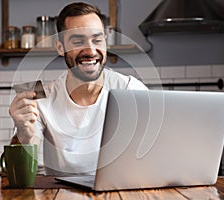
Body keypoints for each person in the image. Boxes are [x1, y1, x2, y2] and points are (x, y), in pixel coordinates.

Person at [9, 2, 147, 175]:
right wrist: (24, 133)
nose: (90, 50)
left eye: (97, 40)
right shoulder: (41, 97)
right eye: (77, 41)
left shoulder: (130, 88)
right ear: (60, 47)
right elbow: (17, 174)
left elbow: (157, 150)